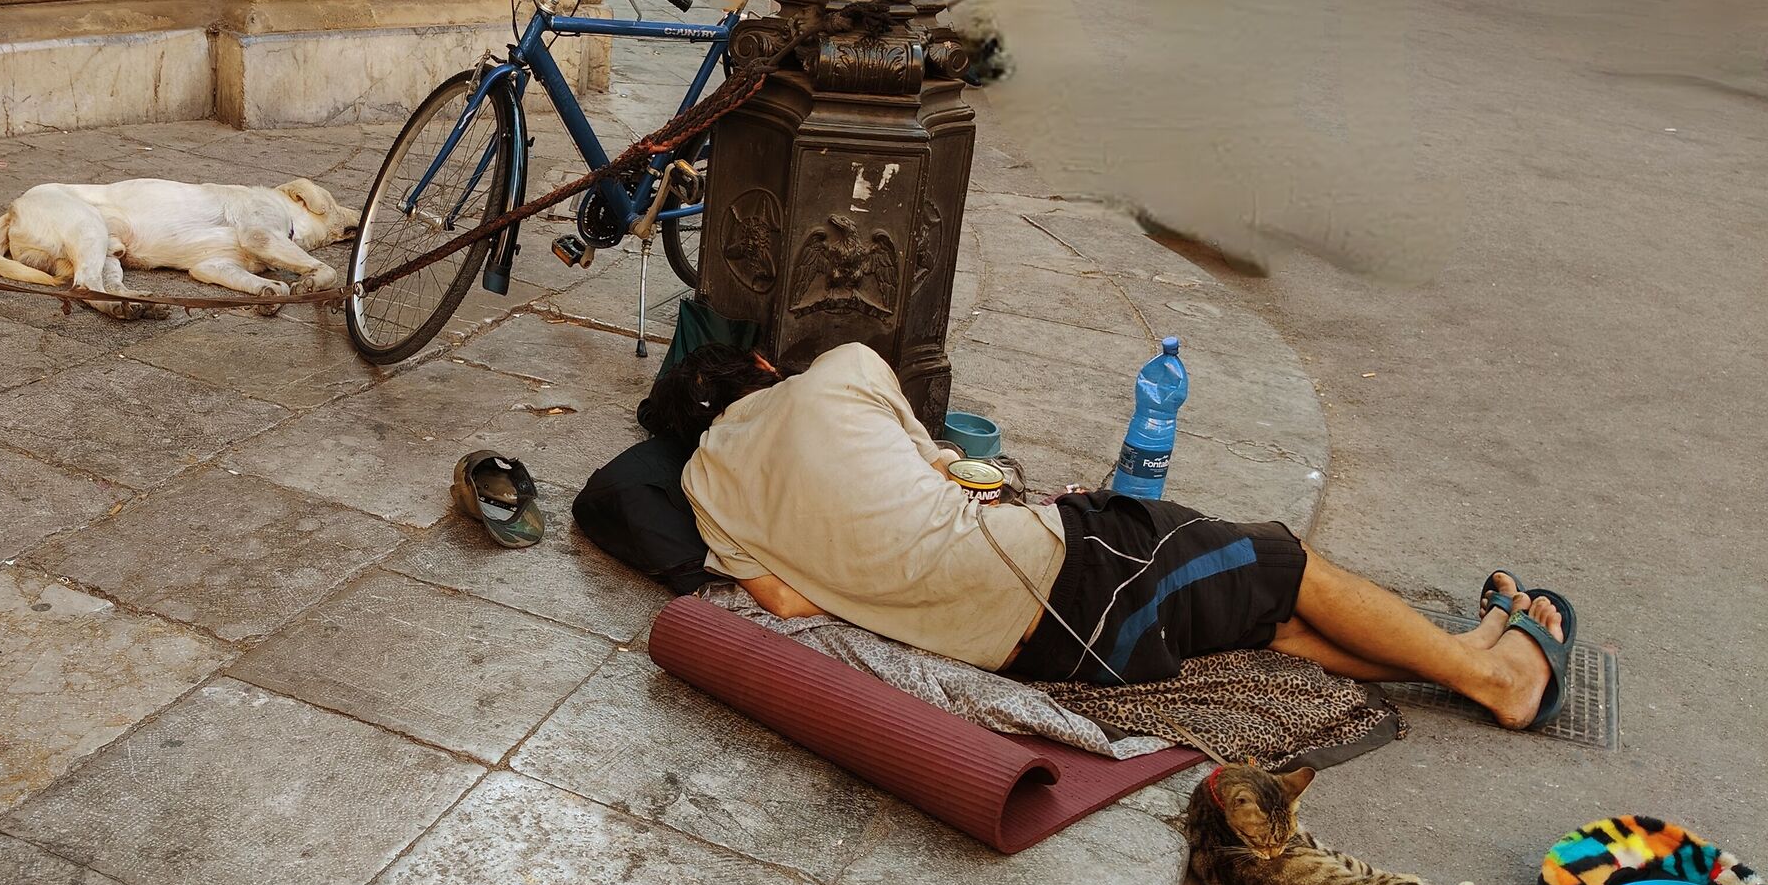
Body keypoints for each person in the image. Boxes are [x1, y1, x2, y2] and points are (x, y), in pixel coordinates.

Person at [641, 342, 1570, 729]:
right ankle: (1497, 679)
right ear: (765, 365)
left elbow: (790, 603)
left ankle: (1459, 651)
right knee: (1282, 564)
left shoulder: (702, 483)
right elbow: (942, 473)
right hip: (1060, 570)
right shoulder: (840, 368)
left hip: (1033, 655)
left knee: (1262, 623)